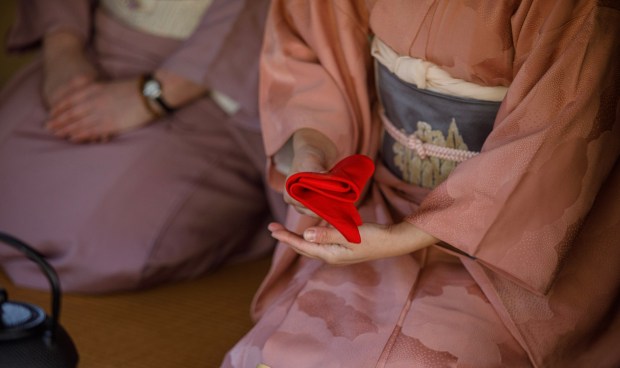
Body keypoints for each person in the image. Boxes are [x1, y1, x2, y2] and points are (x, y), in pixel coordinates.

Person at [223, 0, 620, 367]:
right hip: (379, 199)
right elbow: (310, 51)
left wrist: (406, 237)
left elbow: (554, 134)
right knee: (267, 354)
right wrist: (315, 152)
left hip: (506, 240)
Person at [0, 0, 284, 293]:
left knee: (99, 243)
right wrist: (62, 49)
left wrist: (151, 96)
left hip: (215, 81)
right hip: (93, 48)